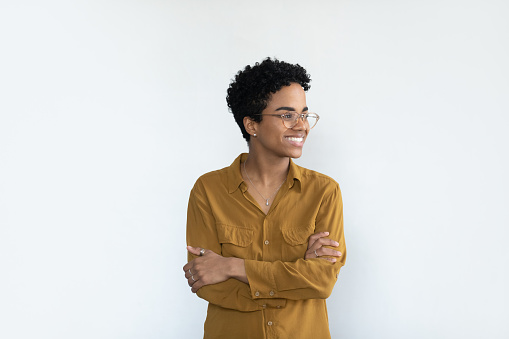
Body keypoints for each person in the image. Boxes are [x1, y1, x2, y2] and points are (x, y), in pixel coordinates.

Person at [183, 57, 346, 339]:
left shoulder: (324, 192)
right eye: (287, 115)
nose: (302, 126)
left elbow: (322, 281)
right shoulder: (208, 190)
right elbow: (207, 281)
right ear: (251, 124)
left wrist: (233, 266)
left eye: (304, 115)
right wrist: (294, 284)